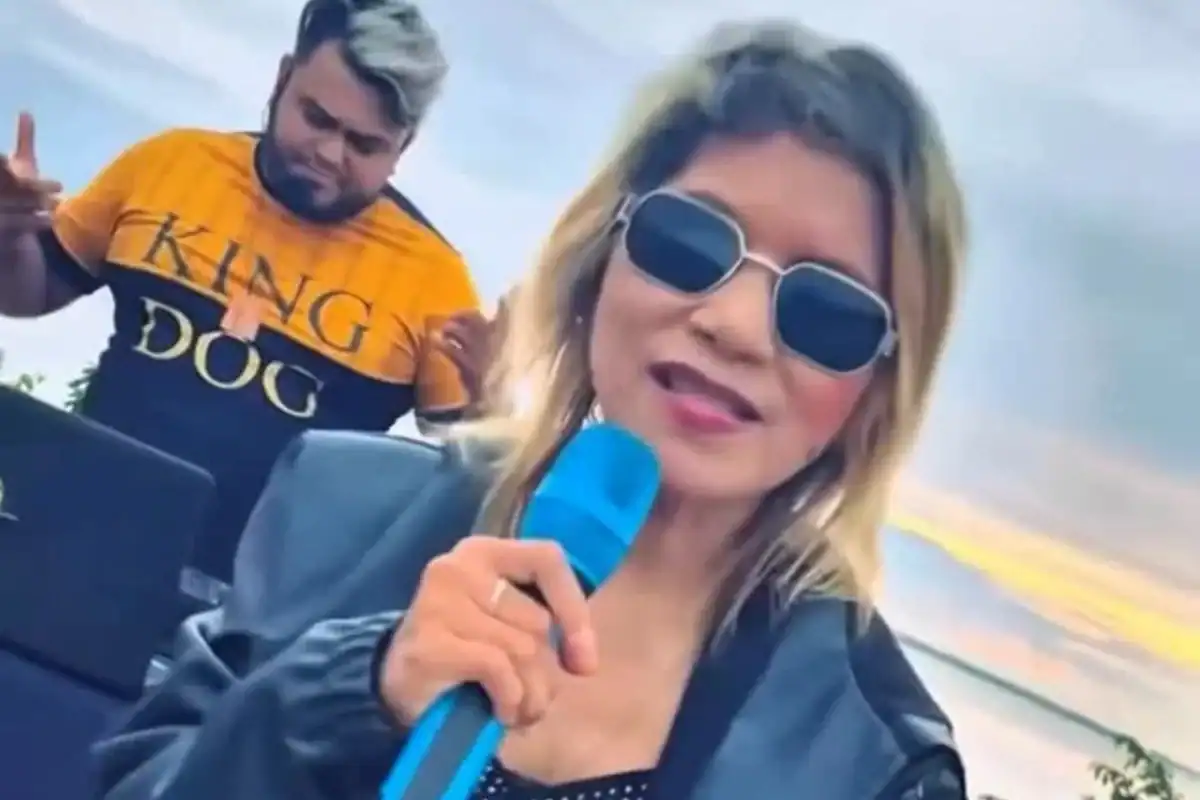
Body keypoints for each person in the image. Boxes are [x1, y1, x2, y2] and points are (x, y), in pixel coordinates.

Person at [94, 18, 969, 800]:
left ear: (878, 388)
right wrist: (350, 690)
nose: (734, 325)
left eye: (827, 312)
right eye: (692, 240)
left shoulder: (880, 762)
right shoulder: (339, 506)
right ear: (600, 257)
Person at [0, 0, 494, 584]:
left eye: (364, 145)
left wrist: (497, 403)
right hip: (67, 538)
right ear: (283, 79)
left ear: (402, 148)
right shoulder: (170, 165)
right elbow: (30, 292)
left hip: (253, 609)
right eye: (317, 117)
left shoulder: (433, 280)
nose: (330, 153)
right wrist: (9, 233)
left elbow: (468, 471)